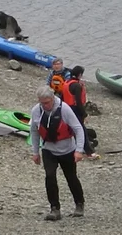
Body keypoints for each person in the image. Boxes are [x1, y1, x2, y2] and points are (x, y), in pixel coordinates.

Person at [28, 86, 86, 221]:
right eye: (42, 103)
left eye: (47, 102)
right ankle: (55, 208)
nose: (45, 105)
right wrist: (35, 152)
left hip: (67, 150)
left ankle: (79, 204)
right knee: (49, 176)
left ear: (53, 98)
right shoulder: (36, 111)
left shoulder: (64, 109)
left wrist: (79, 150)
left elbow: (78, 128)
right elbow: (35, 132)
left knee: (71, 177)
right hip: (49, 149)